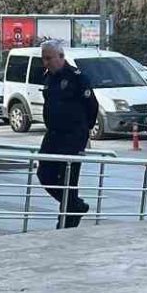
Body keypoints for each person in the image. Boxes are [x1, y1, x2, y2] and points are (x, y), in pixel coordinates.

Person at [36, 40, 97, 229]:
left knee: (68, 180)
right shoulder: (49, 78)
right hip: (53, 135)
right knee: (44, 174)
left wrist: (83, 132)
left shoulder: (77, 77)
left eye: (49, 58)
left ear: (61, 57)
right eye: (43, 58)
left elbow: (91, 106)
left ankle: (67, 222)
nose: (45, 62)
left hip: (72, 137)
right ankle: (75, 205)